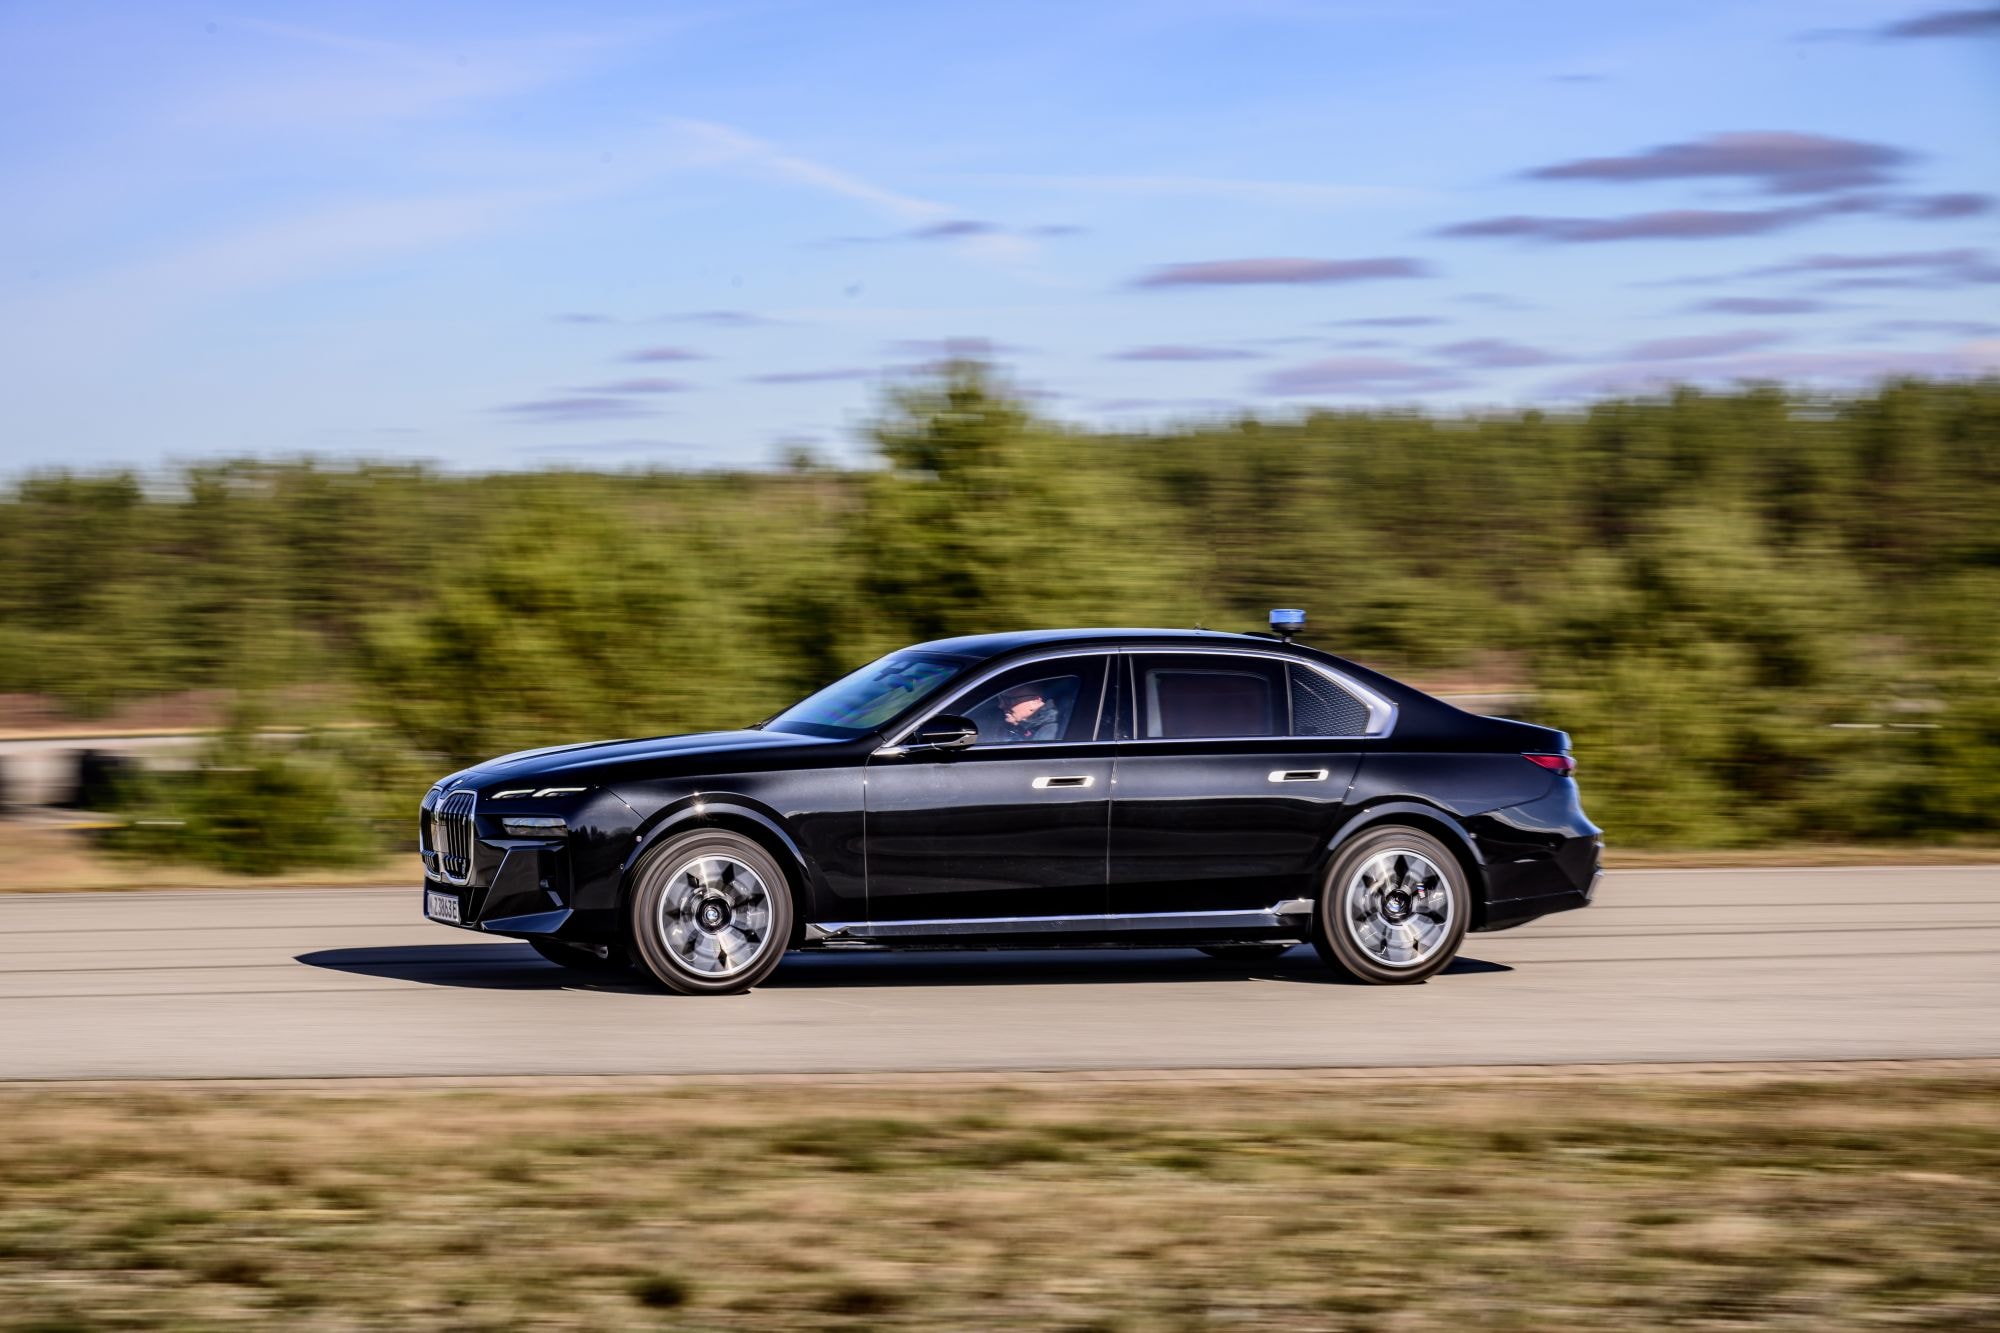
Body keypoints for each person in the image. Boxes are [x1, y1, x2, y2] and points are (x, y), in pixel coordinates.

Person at [994, 680, 1063, 743]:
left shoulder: (1049, 732)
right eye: (1000, 698)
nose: (1001, 705)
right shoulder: (1011, 724)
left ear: (1036, 701)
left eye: (1009, 699)